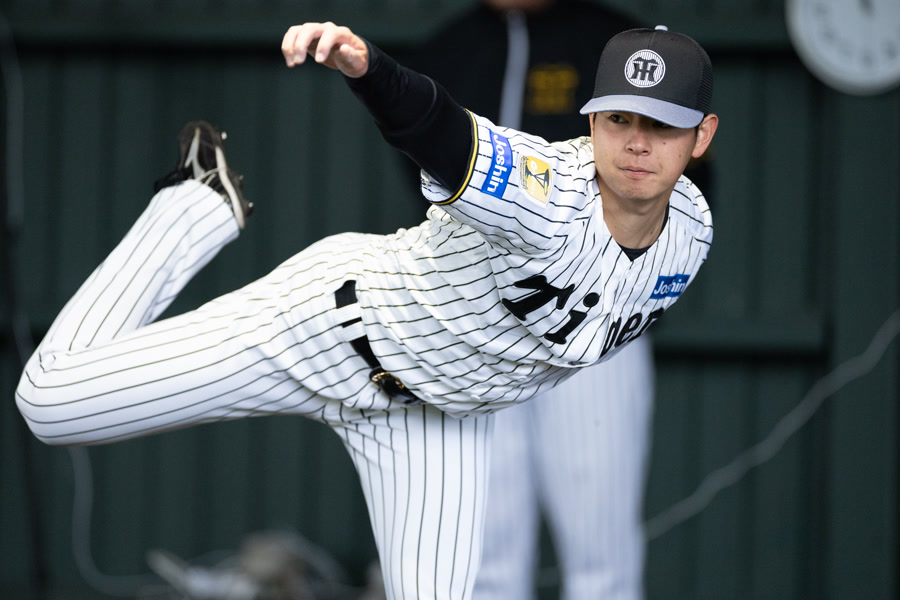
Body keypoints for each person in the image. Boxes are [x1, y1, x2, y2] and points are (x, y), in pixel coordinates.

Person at [16, 21, 718, 600]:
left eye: (661, 125)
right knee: (49, 405)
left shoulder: (691, 232)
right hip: (330, 328)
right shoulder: (546, 192)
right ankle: (193, 208)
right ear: (591, 121)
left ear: (702, 136)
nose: (636, 142)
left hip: (436, 423)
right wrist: (369, 70)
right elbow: (442, 130)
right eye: (619, 118)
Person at [401, 3, 652, 599]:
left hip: (593, 320)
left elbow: (676, 179)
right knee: (482, 558)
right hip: (476, 324)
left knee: (601, 559)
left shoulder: (620, 47)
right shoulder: (448, 51)